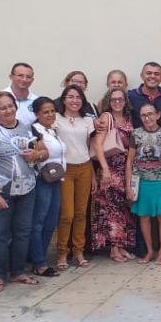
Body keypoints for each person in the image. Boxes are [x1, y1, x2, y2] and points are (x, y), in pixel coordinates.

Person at [0, 91, 48, 293]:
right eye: (3, 108)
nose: (8, 110)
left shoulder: (28, 128)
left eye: (11, 106)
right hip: (2, 191)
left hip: (27, 190)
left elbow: (45, 152)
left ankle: (18, 271)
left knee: (23, 232)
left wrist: (37, 154)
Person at [126, 104, 161, 265]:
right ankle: (149, 251)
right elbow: (129, 161)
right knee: (144, 217)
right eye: (143, 115)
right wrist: (128, 186)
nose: (147, 118)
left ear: (158, 115)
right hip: (141, 182)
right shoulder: (136, 134)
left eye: (150, 114)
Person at [52, 85, 94, 270]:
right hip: (65, 169)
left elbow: (89, 147)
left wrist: (93, 174)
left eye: (78, 97)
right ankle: (62, 252)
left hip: (84, 167)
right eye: (70, 97)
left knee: (81, 213)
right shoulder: (56, 118)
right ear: (63, 99)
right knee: (67, 214)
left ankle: (78, 251)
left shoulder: (87, 120)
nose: (74, 100)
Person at [92, 88, 137, 262]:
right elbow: (97, 144)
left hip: (125, 170)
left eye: (120, 99)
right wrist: (104, 169)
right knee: (112, 210)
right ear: (108, 101)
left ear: (125, 101)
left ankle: (121, 245)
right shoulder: (106, 117)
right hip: (111, 170)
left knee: (123, 209)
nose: (117, 102)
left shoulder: (127, 118)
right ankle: (114, 249)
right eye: (113, 99)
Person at [28, 97, 64, 277]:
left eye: (52, 111)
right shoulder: (34, 131)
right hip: (42, 180)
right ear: (37, 114)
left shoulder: (52, 130)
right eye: (45, 112)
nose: (50, 114)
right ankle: (39, 263)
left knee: (51, 222)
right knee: (39, 221)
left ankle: (39, 257)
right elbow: (37, 153)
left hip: (55, 180)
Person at [127, 62, 161, 130]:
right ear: (142, 76)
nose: (153, 76)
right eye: (149, 73)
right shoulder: (131, 96)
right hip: (137, 136)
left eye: (156, 74)